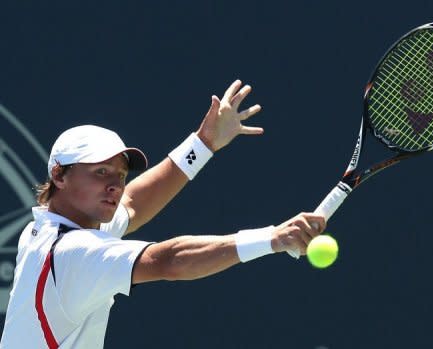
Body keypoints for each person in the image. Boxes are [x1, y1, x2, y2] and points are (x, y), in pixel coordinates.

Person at [0, 80, 326, 348]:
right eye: (100, 172)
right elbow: (169, 260)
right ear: (59, 175)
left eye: (120, 174)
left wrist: (204, 143)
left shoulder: (51, 225)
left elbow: (133, 205)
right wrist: (271, 237)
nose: (115, 185)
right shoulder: (72, 254)